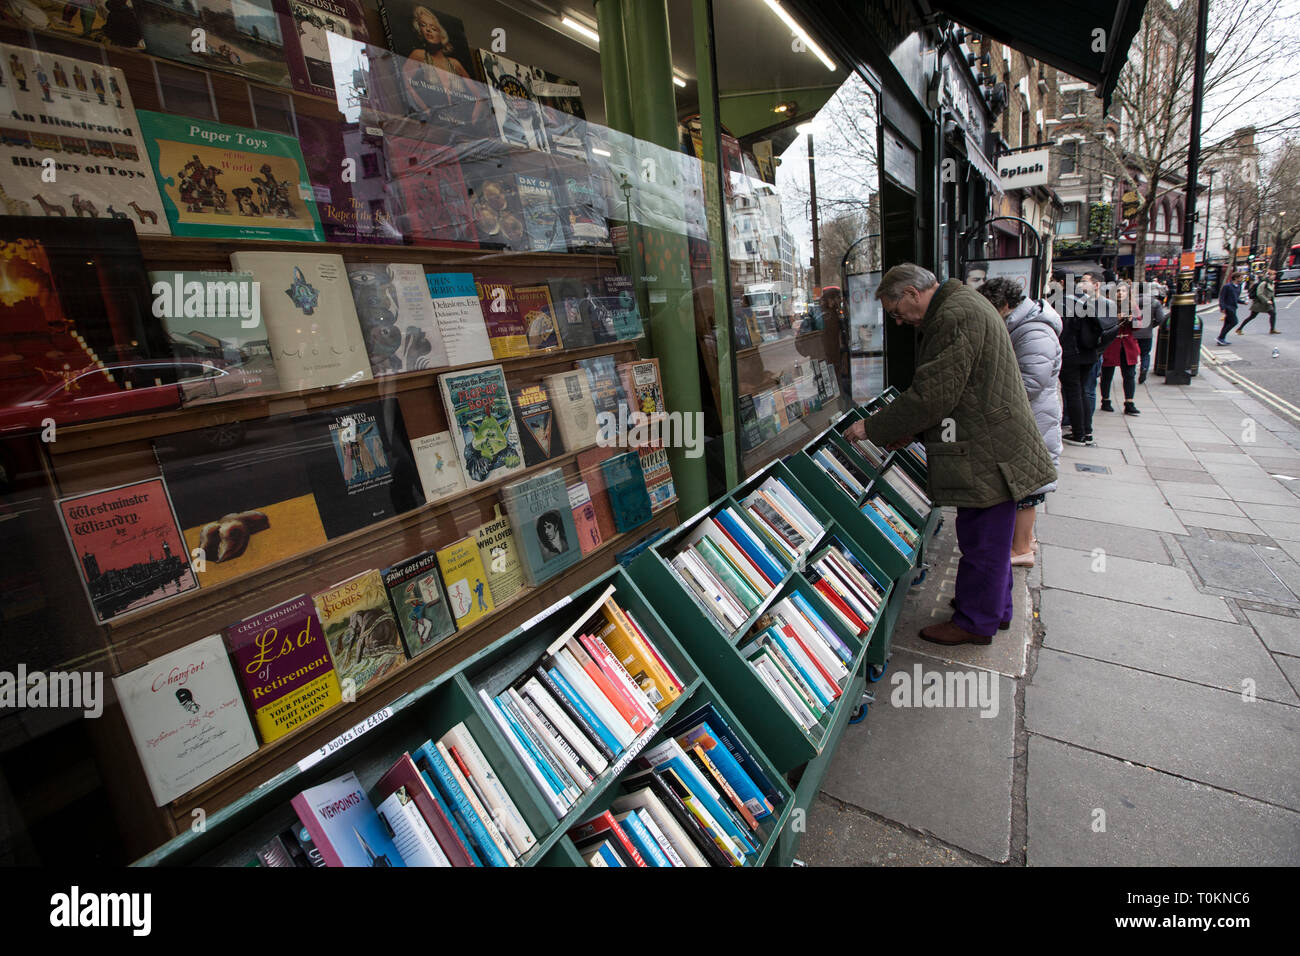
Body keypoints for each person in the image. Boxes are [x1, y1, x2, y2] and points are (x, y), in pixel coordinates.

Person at [843, 264, 1056, 647]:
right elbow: (955, 391)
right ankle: (994, 609)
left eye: (896, 311)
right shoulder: (962, 305)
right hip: (993, 443)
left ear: (911, 293)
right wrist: (910, 429)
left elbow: (933, 395)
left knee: (982, 540)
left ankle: (976, 622)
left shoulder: (953, 315)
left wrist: (872, 428)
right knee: (990, 537)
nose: (900, 321)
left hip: (987, 449)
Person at [977, 278, 1062, 569]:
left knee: (1027, 487)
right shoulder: (1024, 325)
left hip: (1033, 419)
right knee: (1024, 486)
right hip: (1029, 417)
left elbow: (1029, 383)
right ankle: (1023, 540)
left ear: (1003, 305)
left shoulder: (1034, 330)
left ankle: (1021, 548)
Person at [1058, 272, 1101, 446]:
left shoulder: (1064, 302)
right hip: (1088, 353)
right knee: (1082, 391)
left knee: (1074, 392)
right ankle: (1087, 431)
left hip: (1072, 353)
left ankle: (1079, 434)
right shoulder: (1088, 300)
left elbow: (1062, 329)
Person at [1100, 281, 1141, 415]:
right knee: (1107, 374)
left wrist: (1131, 319)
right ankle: (1105, 400)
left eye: (1123, 291)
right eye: (1118, 291)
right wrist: (1116, 319)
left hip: (1128, 345)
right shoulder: (1107, 306)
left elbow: (1139, 325)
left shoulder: (1133, 306)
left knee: (1129, 375)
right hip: (1111, 344)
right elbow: (1102, 324)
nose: (1120, 293)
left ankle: (1129, 402)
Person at [1132, 280, 1166, 384]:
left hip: (1133, 333)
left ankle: (1132, 373)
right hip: (1147, 333)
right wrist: (1151, 325)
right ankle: (1144, 368)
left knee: (1132, 355)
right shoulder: (1155, 302)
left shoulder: (1131, 302)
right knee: (1145, 354)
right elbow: (1161, 319)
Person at [1238, 269, 1277, 334]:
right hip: (1259, 303)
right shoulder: (1263, 283)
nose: (1274, 276)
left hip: (1267, 303)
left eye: (1275, 275)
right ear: (1269, 276)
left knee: (1273, 313)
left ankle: (1272, 329)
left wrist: (1272, 301)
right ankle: (1239, 329)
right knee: (1252, 316)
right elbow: (1259, 293)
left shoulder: (1271, 283)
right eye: (1273, 275)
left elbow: (1271, 293)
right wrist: (1267, 300)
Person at [1215, 272, 1243, 344]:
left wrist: (1242, 302)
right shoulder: (1227, 286)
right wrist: (1222, 307)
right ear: (1236, 278)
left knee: (1227, 323)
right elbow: (1222, 298)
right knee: (1234, 322)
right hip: (1228, 307)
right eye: (1240, 277)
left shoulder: (1239, 286)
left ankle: (1221, 339)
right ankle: (1220, 337)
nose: (1241, 279)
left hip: (1234, 307)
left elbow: (1236, 298)